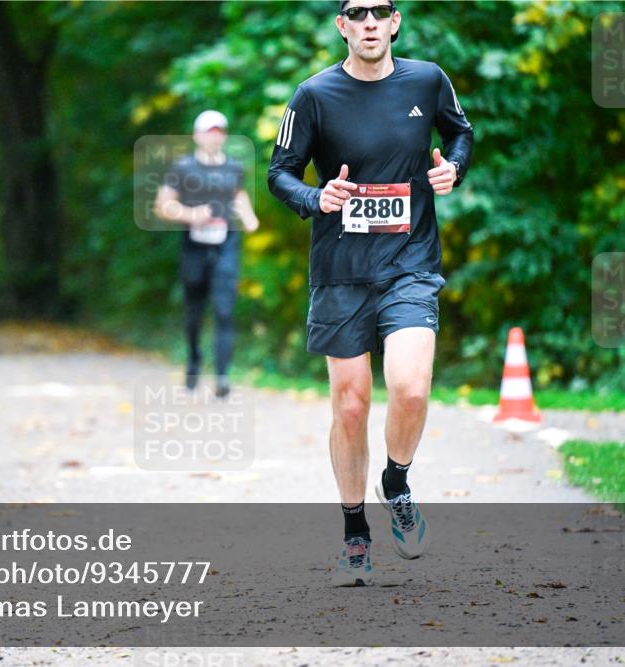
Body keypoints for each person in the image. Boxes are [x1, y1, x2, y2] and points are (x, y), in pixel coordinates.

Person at [267, 0, 473, 586]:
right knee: (351, 405)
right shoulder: (313, 95)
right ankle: (355, 535)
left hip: (410, 263)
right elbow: (279, 172)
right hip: (340, 270)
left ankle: (396, 482)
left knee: (410, 388)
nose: (369, 23)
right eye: (356, 13)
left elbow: (460, 133)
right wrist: (316, 198)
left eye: (380, 11)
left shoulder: (427, 80)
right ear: (342, 26)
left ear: (395, 21)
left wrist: (453, 168)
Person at [154, 110, 260, 397]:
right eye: (209, 132)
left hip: (226, 244)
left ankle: (222, 377)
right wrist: (191, 214)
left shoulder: (233, 168)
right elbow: (162, 205)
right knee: (194, 312)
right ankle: (193, 362)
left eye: (219, 132)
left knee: (225, 309)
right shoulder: (182, 168)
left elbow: (238, 195)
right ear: (197, 136)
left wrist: (249, 217)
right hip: (194, 246)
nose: (215, 137)